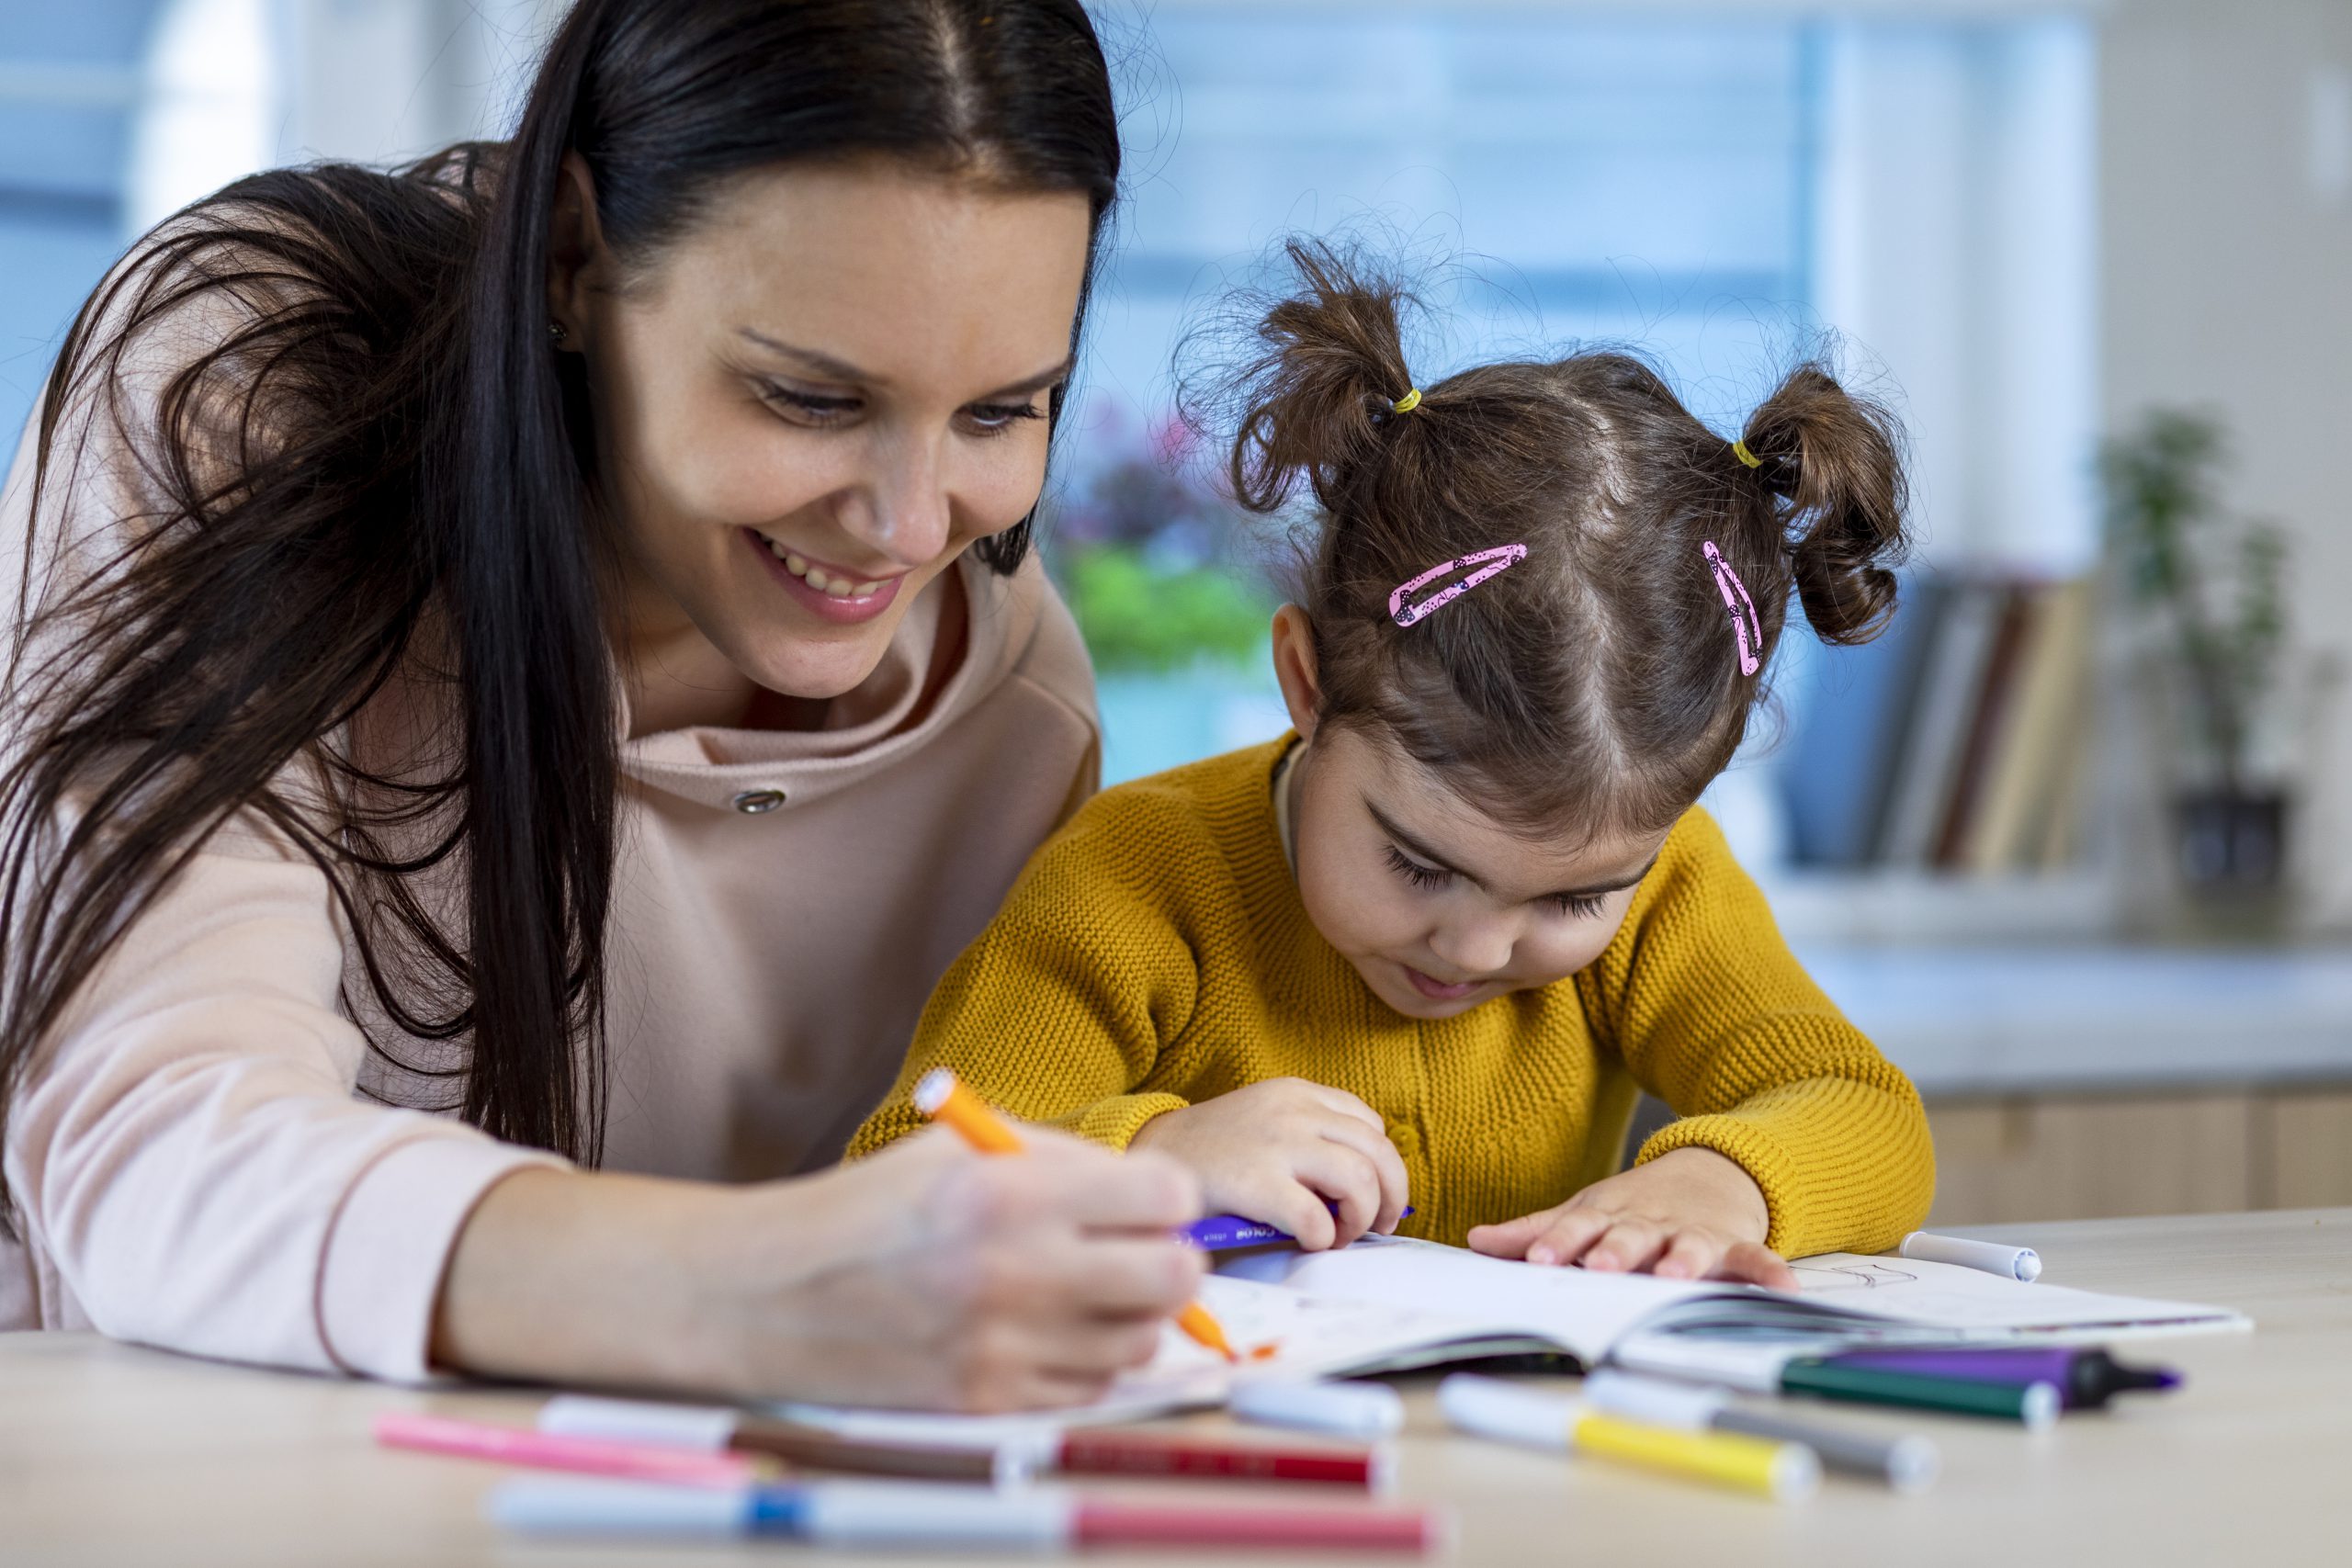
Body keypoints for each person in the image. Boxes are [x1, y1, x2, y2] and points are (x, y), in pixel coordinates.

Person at [0, 0, 1204, 1412]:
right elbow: (154, 1142)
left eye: (1003, 410)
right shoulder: (257, 391)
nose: (906, 522)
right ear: (575, 257)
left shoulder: (1013, 719)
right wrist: (764, 1284)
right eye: (809, 397)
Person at [851, 243, 1938, 1284]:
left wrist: (1722, 1185)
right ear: (1309, 684)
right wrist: (1152, 1157)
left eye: (1572, 900)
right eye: (1420, 866)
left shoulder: (1663, 883)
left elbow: (1860, 1107)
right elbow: (905, 1169)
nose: (1474, 947)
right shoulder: (1138, 880)